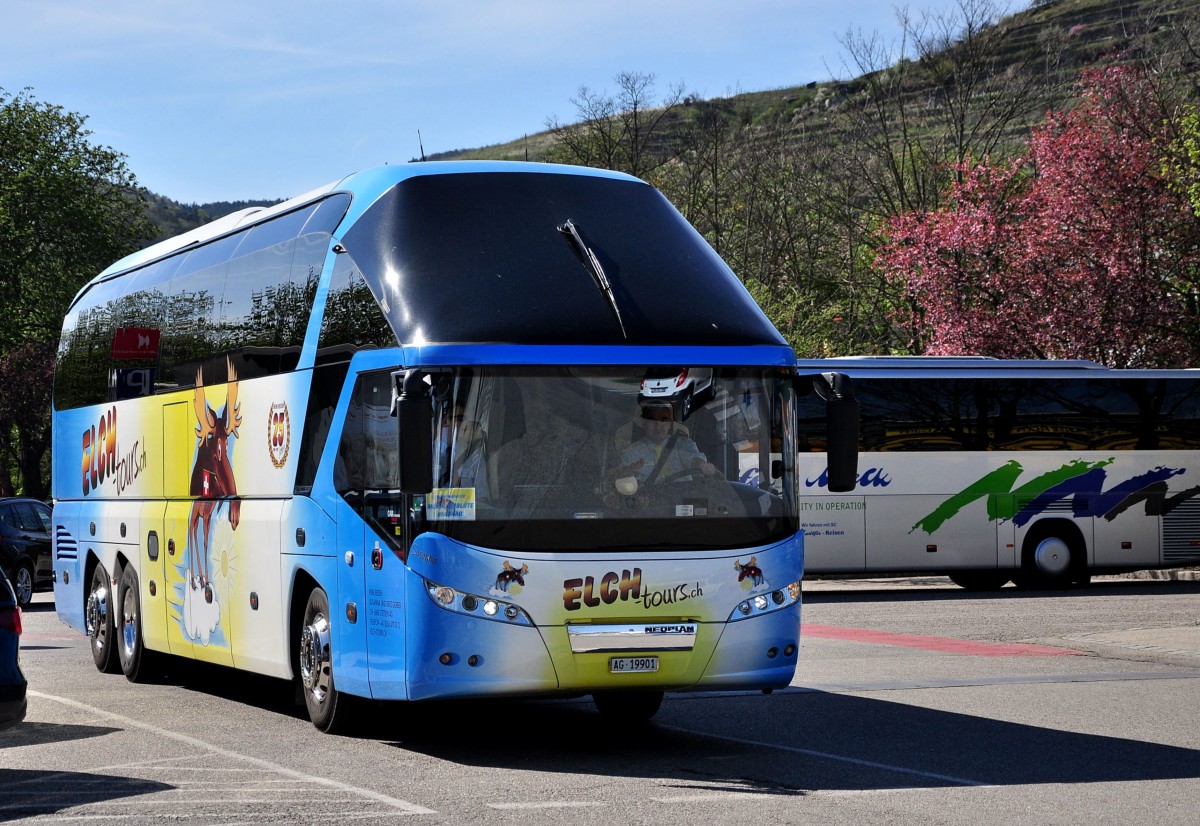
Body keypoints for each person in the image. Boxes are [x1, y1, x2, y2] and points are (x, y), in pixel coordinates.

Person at [618, 401, 716, 485]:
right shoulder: (631, 453)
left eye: (663, 420)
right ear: (643, 423)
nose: (658, 425)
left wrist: (702, 465)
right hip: (650, 503)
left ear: (670, 424)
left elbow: (694, 458)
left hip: (684, 501)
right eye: (652, 420)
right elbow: (626, 482)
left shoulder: (683, 445)